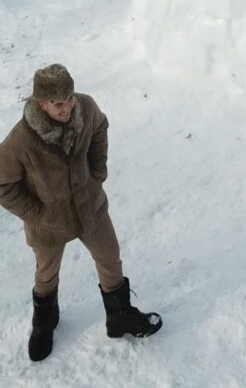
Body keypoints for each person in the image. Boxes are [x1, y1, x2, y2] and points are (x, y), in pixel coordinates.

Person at [0, 64, 162, 362]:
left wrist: (98, 168)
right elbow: (3, 184)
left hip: (91, 208)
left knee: (110, 259)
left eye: (69, 98)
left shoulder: (85, 107)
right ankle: (45, 322)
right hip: (49, 224)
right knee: (46, 275)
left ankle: (120, 316)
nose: (67, 107)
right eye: (58, 103)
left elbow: (100, 126)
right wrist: (36, 213)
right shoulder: (21, 140)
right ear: (41, 104)